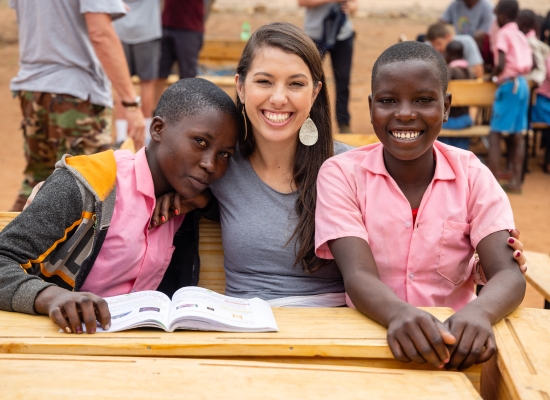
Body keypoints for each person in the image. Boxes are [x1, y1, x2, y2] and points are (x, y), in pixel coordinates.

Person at [152, 23, 526, 308]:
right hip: (247, 330)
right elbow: (159, 161)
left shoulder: (350, 168)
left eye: (296, 84)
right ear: (241, 86)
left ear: (315, 92)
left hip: (343, 331)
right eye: (264, 81)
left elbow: (413, 229)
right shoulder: (219, 166)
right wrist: (180, 196)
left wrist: (477, 262)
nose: (278, 98)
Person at [315, 41, 526, 371]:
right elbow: (357, 275)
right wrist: (399, 314)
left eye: (424, 100)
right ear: (371, 108)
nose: (405, 113)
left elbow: (508, 274)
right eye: (388, 101)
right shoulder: (342, 174)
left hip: (456, 343)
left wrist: (479, 312)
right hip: (371, 339)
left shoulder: (472, 176)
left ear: (446, 107)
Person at [0, 78, 240, 334]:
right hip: (63, 342)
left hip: (138, 348)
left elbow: (235, 210)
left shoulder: (187, 195)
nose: (211, 164)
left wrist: (204, 203)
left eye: (224, 154)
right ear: (157, 129)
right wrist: (52, 297)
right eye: (200, 142)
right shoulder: (88, 185)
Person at [9, 0, 146, 212]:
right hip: (75, 95)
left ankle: (7, 242)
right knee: (91, 188)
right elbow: (100, 32)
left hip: (32, 90)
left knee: (35, 183)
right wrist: (130, 102)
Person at [488, 0, 533, 194]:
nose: (496, 19)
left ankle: (491, 185)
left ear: (503, 16)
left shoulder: (503, 33)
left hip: (509, 85)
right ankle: (515, 182)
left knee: (495, 134)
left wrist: (492, 76)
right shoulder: (521, 34)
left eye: (496, 15)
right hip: (523, 84)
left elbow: (501, 63)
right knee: (518, 134)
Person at [298, 0, 357, 133]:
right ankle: (310, 123)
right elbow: (302, 2)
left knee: (343, 80)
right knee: (310, 81)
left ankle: (344, 124)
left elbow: (354, 4)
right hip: (314, 35)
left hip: (342, 33)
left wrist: (352, 7)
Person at [113, 0, 163, 147]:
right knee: (147, 84)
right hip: (147, 32)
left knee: (120, 85)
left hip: (120, 31)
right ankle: (147, 135)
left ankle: (121, 137)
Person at [439, 41, 476, 150]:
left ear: (448, 55)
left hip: (447, 122)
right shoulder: (471, 72)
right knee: (461, 149)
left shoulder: (450, 71)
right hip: (465, 120)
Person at [158, 0, 204, 82]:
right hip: (166, 25)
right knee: (159, 73)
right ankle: (157, 95)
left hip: (189, 29)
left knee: (188, 75)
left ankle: (186, 95)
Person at [517, 9, 550, 85]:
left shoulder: (530, 41)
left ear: (524, 25)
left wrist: (537, 78)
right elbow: (546, 50)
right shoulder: (528, 39)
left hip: (534, 79)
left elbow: (538, 64)